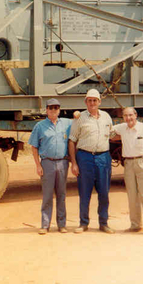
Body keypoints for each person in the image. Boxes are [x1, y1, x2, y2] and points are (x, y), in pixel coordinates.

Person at [68, 89, 115, 234]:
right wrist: (74, 163)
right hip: (85, 158)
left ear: (99, 102)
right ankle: (83, 223)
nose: (92, 103)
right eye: (90, 100)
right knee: (84, 192)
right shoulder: (80, 118)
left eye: (95, 100)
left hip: (103, 158)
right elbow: (72, 141)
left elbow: (112, 134)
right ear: (85, 102)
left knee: (104, 193)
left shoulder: (106, 117)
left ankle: (103, 223)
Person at [112, 107, 143, 237]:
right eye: (125, 116)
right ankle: (136, 225)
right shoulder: (122, 128)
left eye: (130, 115)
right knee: (132, 196)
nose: (128, 118)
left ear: (136, 115)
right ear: (123, 117)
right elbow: (109, 130)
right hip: (128, 164)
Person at [28, 98, 74, 234]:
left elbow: (79, 125)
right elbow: (34, 147)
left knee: (62, 194)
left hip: (62, 162)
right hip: (47, 163)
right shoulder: (40, 126)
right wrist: (38, 165)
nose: (54, 110)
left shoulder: (67, 124)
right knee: (47, 195)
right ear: (46, 110)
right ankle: (45, 225)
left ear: (59, 110)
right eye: (51, 108)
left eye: (56, 108)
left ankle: (62, 224)